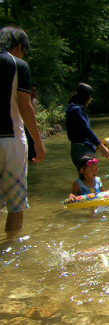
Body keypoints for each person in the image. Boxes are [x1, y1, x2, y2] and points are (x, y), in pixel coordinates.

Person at [0, 26, 45, 235]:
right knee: (16, 205)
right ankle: (11, 250)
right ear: (19, 46)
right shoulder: (17, 64)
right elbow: (25, 107)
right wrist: (37, 142)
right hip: (11, 140)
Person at [66, 83, 109, 166]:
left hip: (78, 148)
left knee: (86, 176)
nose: (90, 100)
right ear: (84, 98)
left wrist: (95, 142)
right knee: (90, 176)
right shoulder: (76, 111)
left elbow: (80, 131)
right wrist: (101, 147)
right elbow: (86, 130)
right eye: (89, 97)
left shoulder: (72, 109)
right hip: (82, 149)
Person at [25, 83, 39, 161]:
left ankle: (32, 160)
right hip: (24, 125)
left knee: (32, 144)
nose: (33, 93)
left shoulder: (35, 102)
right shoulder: (24, 102)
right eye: (32, 91)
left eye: (35, 91)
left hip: (32, 126)